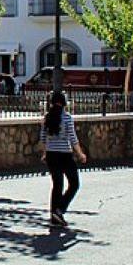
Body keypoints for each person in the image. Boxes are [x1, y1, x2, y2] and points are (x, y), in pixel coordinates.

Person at [40, 91, 87, 227]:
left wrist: (44, 154)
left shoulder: (47, 118)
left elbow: (43, 139)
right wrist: (80, 154)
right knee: (74, 183)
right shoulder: (67, 118)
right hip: (65, 154)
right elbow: (73, 138)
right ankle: (60, 209)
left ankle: (55, 215)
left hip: (51, 154)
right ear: (64, 102)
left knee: (57, 185)